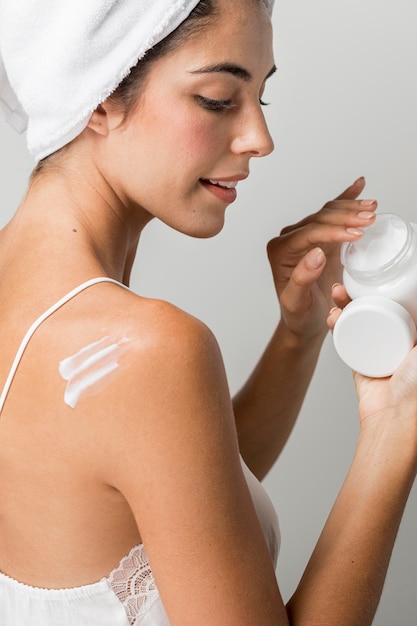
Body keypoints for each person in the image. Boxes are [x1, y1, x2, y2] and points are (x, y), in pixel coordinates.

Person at [0, 0, 415, 624]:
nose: (260, 139)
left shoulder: (68, 325)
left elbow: (178, 495)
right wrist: (394, 430)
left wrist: (297, 336)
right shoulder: (147, 349)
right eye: (219, 99)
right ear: (100, 94)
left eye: (261, 100)